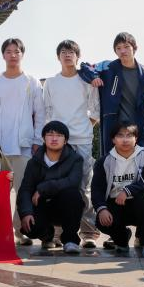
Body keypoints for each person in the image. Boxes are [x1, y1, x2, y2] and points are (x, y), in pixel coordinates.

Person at [0, 37, 45, 245]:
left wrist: (37, 140)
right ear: (3, 55)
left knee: (23, 191)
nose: (13, 55)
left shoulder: (31, 82)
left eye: (17, 51)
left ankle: (20, 232)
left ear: (22, 54)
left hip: (24, 145)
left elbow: (40, 113)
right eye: (9, 51)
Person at [42, 40, 100, 247]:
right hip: (58, 142)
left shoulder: (87, 81)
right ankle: (58, 233)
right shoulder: (51, 82)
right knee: (58, 186)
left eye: (71, 52)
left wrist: (83, 128)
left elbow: (95, 110)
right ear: (58, 57)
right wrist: (54, 137)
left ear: (78, 56)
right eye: (63, 52)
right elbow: (47, 112)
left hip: (82, 140)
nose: (67, 55)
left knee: (84, 186)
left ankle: (89, 232)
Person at [80, 33, 144, 172]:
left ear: (135, 48)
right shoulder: (107, 67)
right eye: (118, 48)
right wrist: (93, 77)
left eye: (126, 47)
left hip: (138, 134)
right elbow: (85, 67)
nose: (122, 51)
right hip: (113, 132)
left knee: (140, 173)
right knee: (112, 172)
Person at [17, 120, 85, 255]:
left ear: (65, 140)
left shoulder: (75, 159)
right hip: (41, 206)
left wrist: (43, 188)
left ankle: (70, 240)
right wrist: (26, 213)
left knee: (73, 195)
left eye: (59, 135)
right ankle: (47, 235)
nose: (54, 138)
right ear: (43, 138)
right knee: (30, 227)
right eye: (50, 135)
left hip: (63, 206)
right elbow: (25, 189)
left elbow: (73, 181)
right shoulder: (34, 162)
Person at [92, 122, 144, 257]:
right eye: (120, 135)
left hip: (139, 203)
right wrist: (102, 209)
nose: (125, 140)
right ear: (113, 139)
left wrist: (128, 190)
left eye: (129, 135)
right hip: (115, 203)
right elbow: (97, 189)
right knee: (101, 220)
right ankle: (122, 240)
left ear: (136, 138)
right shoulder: (104, 161)